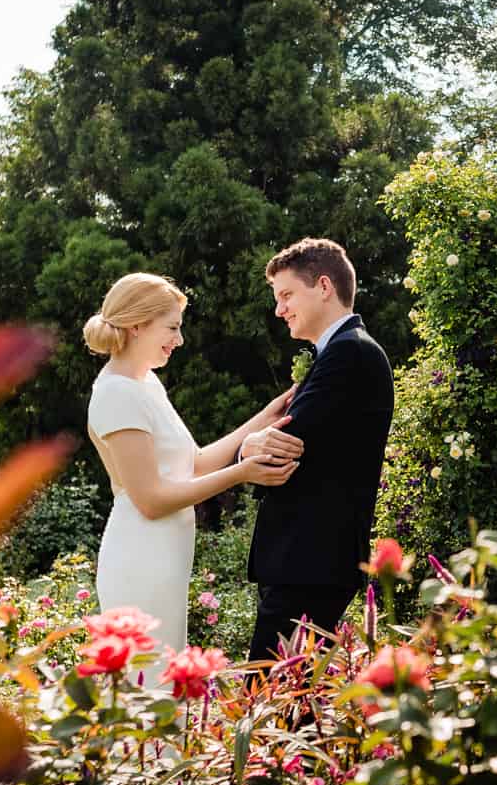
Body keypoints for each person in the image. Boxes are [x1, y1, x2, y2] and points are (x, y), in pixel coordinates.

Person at [84, 272, 301, 657]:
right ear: (137, 325)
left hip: (164, 559)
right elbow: (150, 500)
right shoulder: (116, 393)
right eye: (172, 328)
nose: (179, 340)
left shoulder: (146, 383)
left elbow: (194, 463)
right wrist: (243, 472)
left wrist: (265, 417)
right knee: (147, 688)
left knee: (163, 685)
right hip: (140, 560)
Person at [244, 239, 394, 661]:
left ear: (324, 286)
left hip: (310, 561)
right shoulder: (340, 352)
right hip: (305, 561)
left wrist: (250, 447)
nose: (279, 310)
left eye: (286, 295)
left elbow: (285, 446)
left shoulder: (350, 353)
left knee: (270, 698)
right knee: (291, 705)